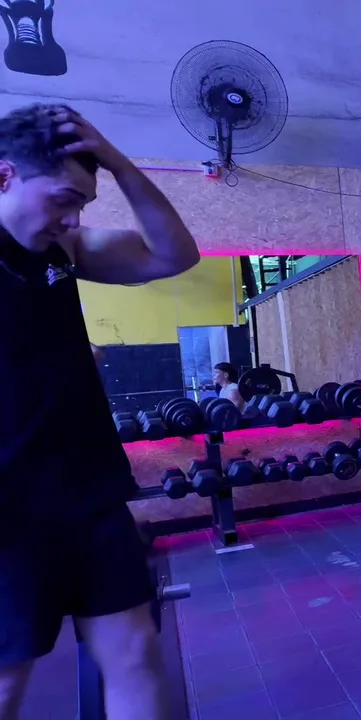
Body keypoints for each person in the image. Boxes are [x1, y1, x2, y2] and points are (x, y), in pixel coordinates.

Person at [0, 103, 199, 719]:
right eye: (63, 198)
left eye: (83, 204)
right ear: (4, 176)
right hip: (9, 511)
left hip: (89, 495)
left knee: (135, 653)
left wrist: (119, 165)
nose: (73, 217)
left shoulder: (63, 249)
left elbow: (173, 256)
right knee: (6, 683)